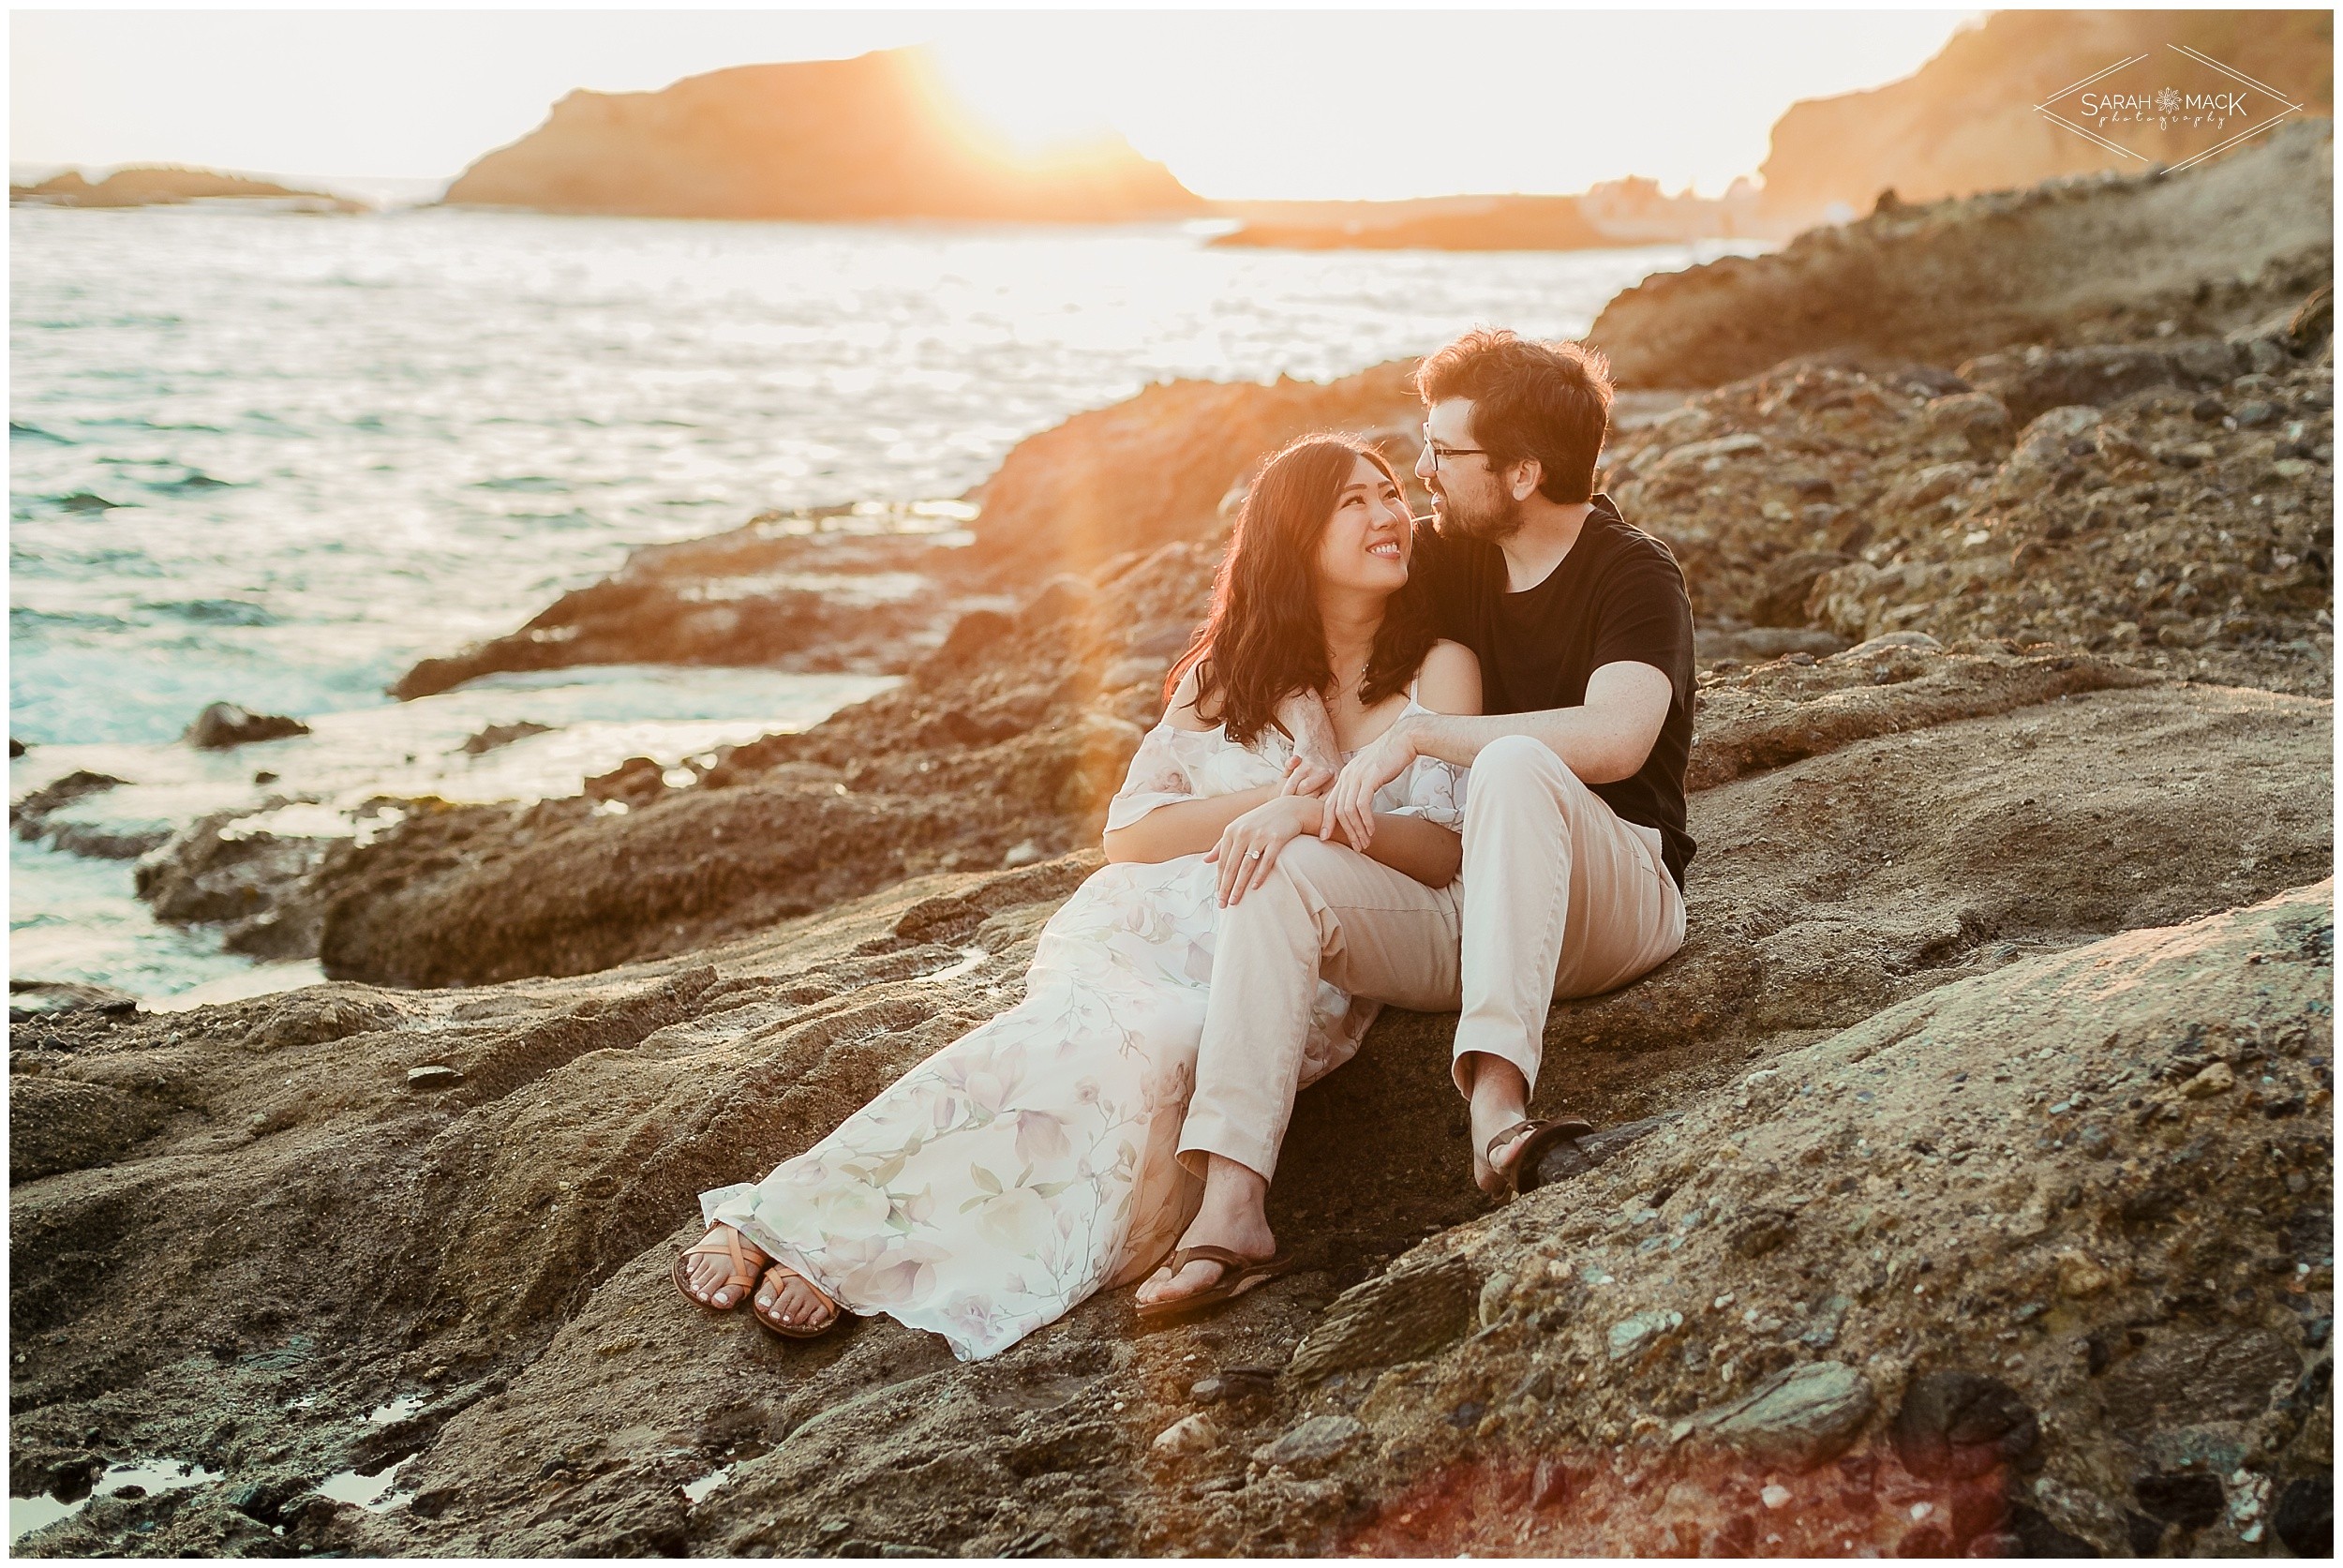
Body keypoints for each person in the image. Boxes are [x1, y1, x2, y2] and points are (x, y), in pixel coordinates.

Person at [673, 435, 1482, 1357]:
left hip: (1295, 947)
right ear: (1293, 535)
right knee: (1064, 1041)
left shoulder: (1439, 666)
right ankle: (784, 1215)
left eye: (1391, 493)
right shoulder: (1234, 670)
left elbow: (1440, 853)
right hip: (1148, 924)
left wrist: (1315, 814)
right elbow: (1131, 832)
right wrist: (1280, 797)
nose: (1390, 515)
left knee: (1157, 1049)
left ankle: (855, 1245)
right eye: (1356, 501)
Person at [1137, 328, 1694, 1314]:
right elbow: (1324, 592)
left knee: (1514, 761)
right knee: (1280, 873)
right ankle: (1231, 1203)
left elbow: (1614, 740)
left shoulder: (1630, 573)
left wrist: (1428, 736)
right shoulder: (1449, 554)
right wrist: (1281, 781)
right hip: (1462, 907)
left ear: (1522, 471)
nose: (1420, 474)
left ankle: (1497, 1106)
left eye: (1443, 454)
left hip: (1610, 897)